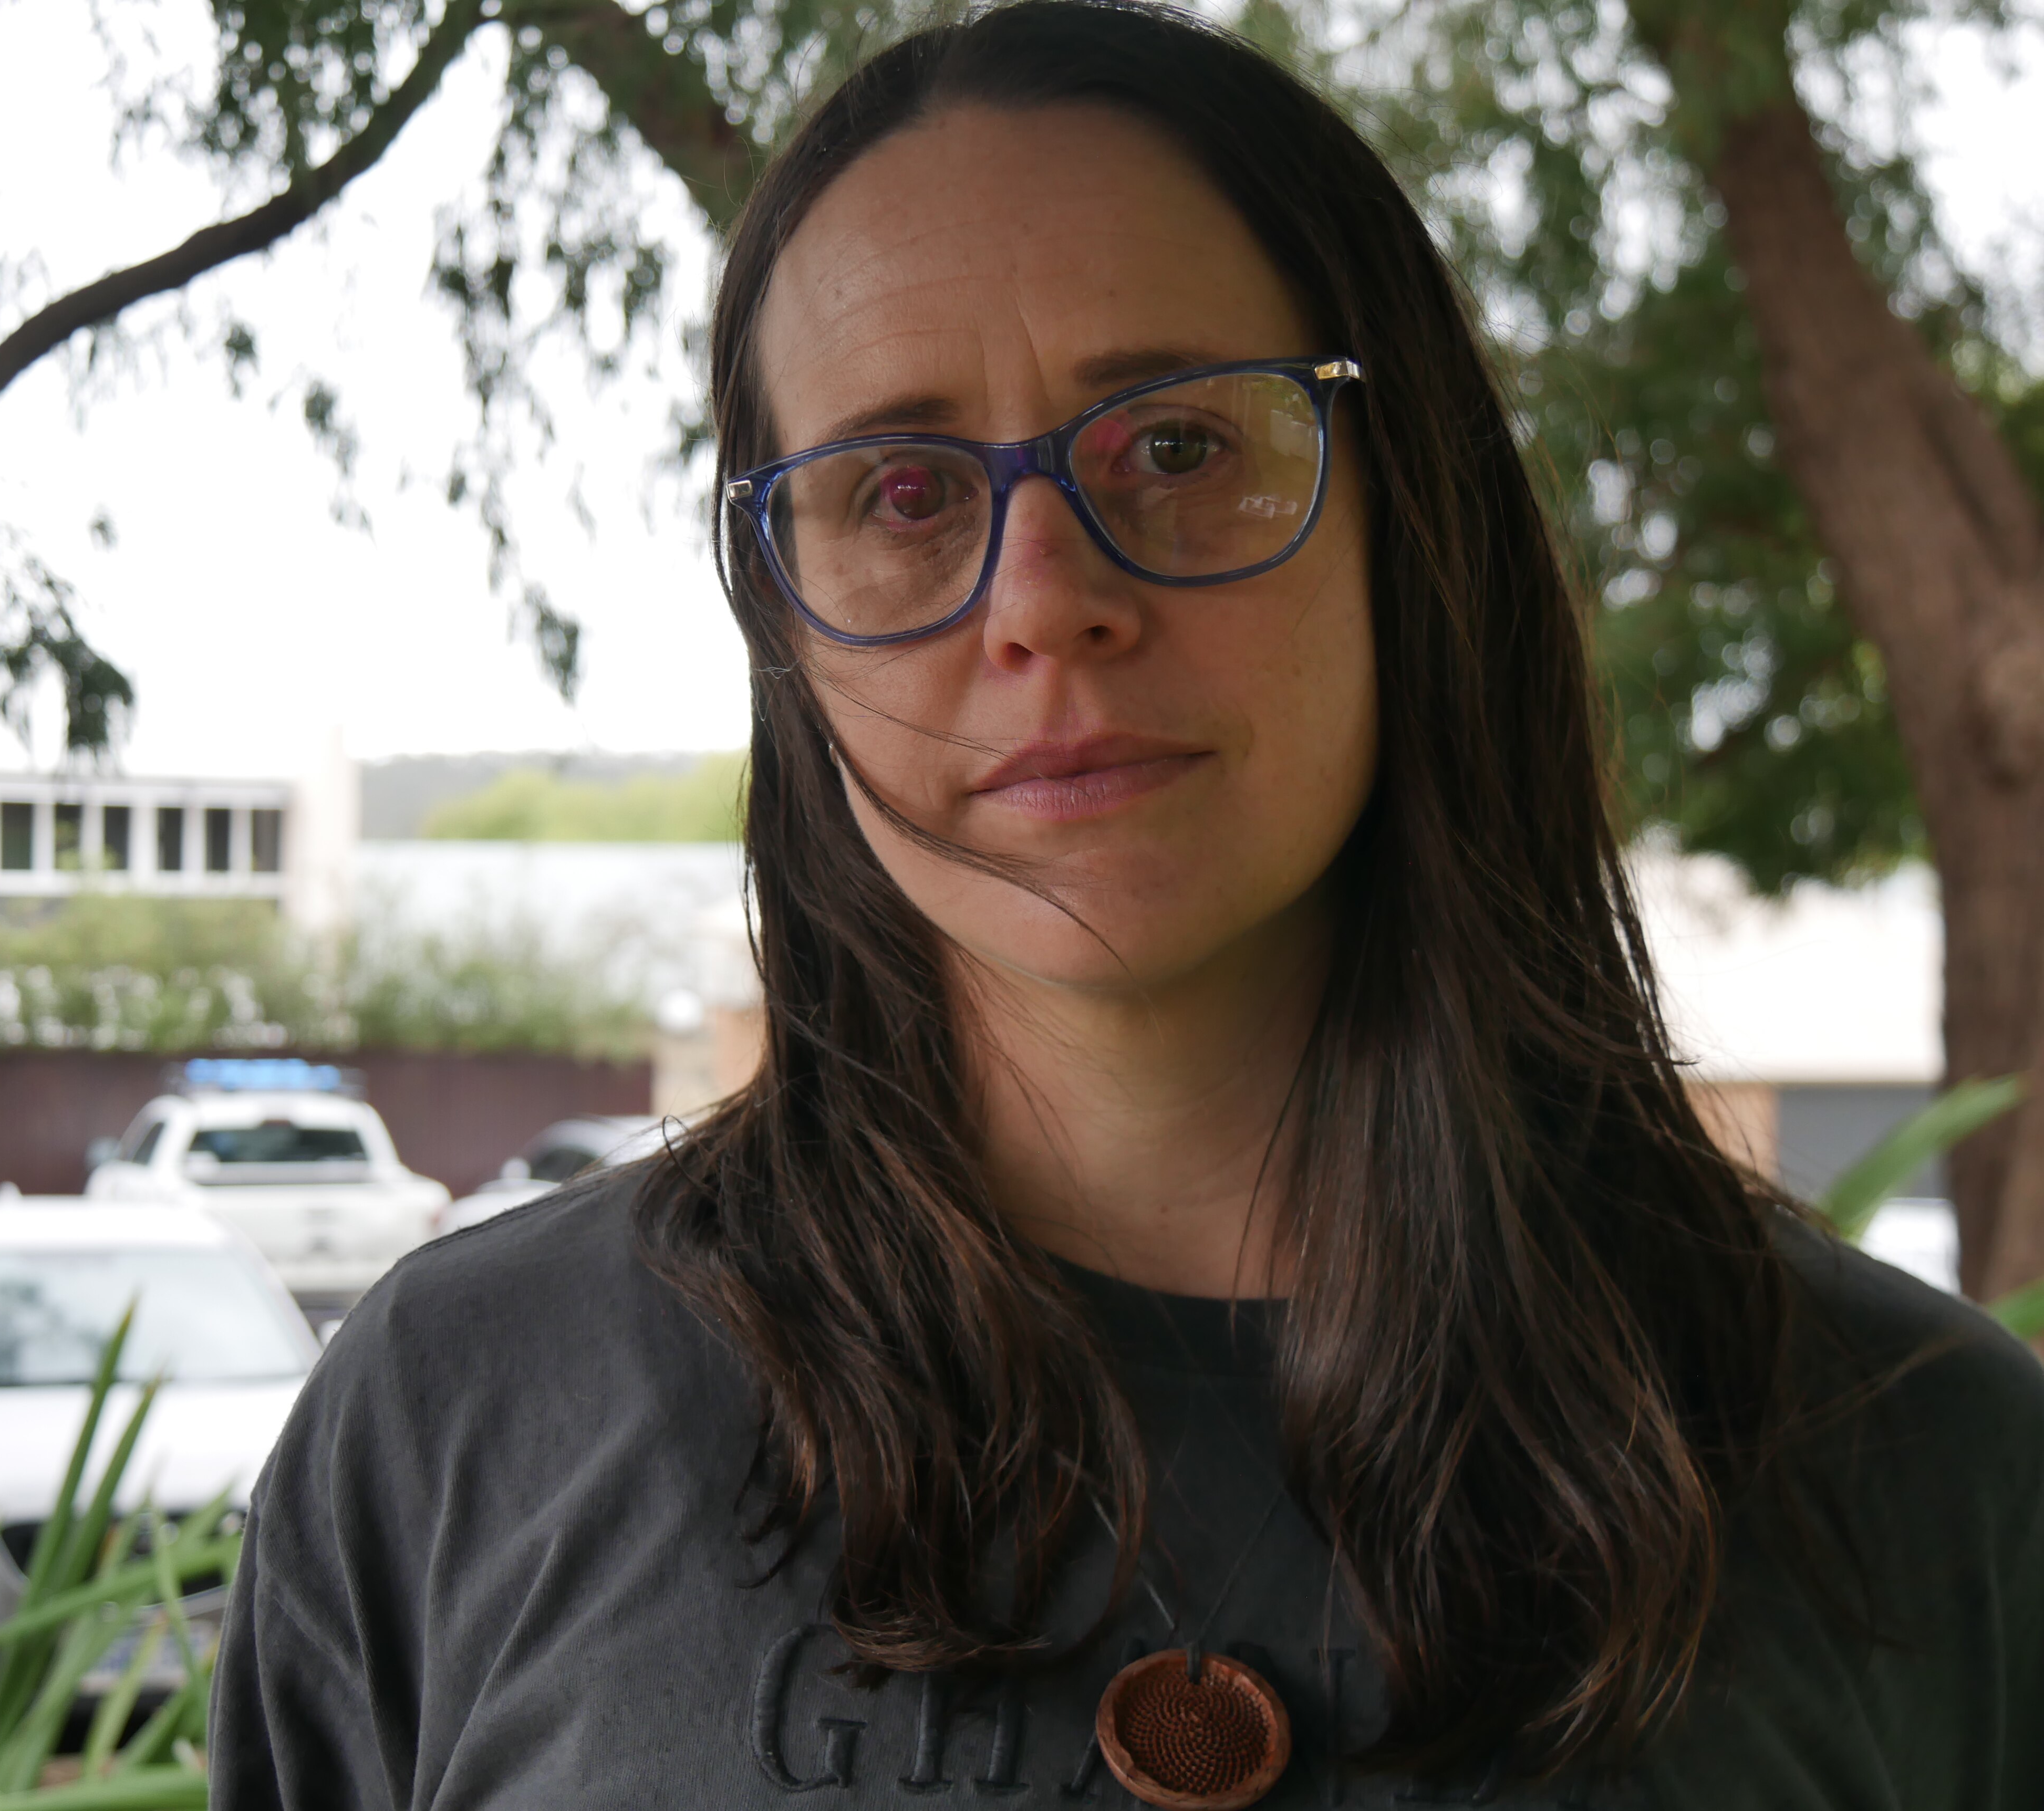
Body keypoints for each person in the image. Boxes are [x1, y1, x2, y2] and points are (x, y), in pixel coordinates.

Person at [208, 4, 2044, 1804]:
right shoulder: (463, 1425)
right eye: (903, 492)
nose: (1040, 603)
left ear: (1413, 521)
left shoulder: (1935, 1478)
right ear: (784, 626)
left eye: (1178, 447)